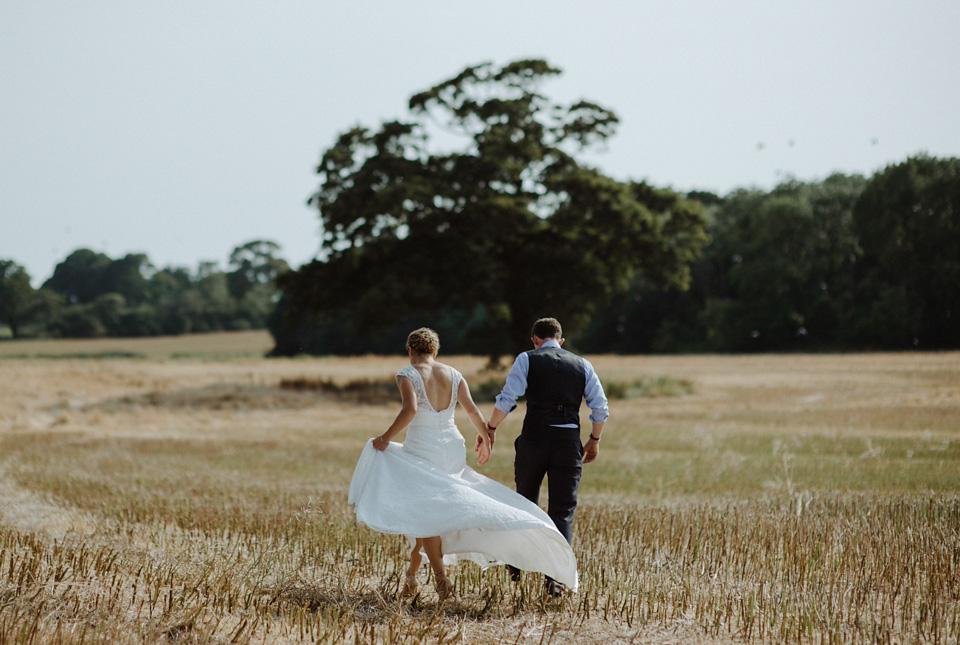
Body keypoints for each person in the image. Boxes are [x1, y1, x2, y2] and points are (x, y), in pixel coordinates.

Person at [348, 328, 578, 602]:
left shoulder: (406, 374)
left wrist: (385, 439)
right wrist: (485, 436)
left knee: (425, 512)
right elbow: (471, 411)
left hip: (423, 446)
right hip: (452, 447)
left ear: (411, 350)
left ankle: (440, 577)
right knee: (427, 511)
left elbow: (410, 410)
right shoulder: (454, 375)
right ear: (435, 351)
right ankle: (411, 576)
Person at [481, 317, 608, 595]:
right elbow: (600, 408)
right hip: (567, 441)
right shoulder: (582, 364)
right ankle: (555, 578)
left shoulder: (527, 359)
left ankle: (516, 561)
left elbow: (508, 398)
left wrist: (490, 428)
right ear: (561, 341)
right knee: (562, 509)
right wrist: (594, 439)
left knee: (524, 501)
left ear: (535, 340)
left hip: (535, 438)